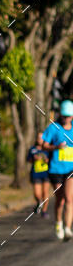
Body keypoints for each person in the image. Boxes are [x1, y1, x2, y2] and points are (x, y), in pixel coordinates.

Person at [41, 100, 73, 240]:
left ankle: (67, 228)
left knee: (69, 199)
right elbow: (43, 145)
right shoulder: (54, 128)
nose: (66, 118)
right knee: (59, 200)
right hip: (56, 169)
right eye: (64, 115)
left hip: (70, 169)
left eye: (68, 116)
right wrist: (56, 148)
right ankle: (58, 223)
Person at [26, 132, 50, 217]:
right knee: (37, 193)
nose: (40, 140)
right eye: (38, 138)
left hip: (46, 174)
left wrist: (47, 160)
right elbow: (28, 160)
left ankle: (44, 211)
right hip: (36, 173)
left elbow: (53, 160)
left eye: (42, 138)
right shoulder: (32, 149)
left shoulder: (48, 148)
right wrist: (34, 158)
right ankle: (39, 202)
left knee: (45, 192)